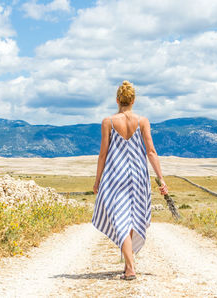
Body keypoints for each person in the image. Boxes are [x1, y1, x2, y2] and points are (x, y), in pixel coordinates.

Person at [92, 80, 169, 281]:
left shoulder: (108, 122)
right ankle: (129, 265)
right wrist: (161, 179)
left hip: (114, 175)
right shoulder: (143, 121)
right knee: (133, 217)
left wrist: (97, 180)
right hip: (137, 176)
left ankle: (130, 267)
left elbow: (102, 154)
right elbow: (151, 151)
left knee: (120, 219)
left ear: (117, 100)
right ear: (133, 100)